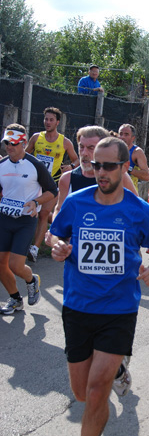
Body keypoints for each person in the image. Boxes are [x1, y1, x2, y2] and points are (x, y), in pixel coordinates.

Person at [47, 137, 149, 436]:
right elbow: (56, 234)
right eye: (95, 166)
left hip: (118, 310)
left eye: (108, 166)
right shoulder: (76, 202)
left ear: (124, 167)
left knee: (97, 392)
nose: (99, 172)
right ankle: (117, 371)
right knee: (82, 392)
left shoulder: (140, 210)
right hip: (78, 306)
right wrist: (56, 247)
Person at [0, 125, 58, 315]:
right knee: (0, 263)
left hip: (25, 221)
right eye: (7, 143)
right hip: (4, 219)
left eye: (14, 144)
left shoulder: (35, 165)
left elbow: (52, 191)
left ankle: (31, 280)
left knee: (15, 265)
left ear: (24, 143)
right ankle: (15, 299)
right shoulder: (2, 165)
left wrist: (35, 202)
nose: (10, 147)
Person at [25, 107, 79, 263]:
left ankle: (34, 249)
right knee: (30, 212)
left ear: (57, 122)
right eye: (45, 119)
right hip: (34, 183)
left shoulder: (64, 142)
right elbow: (26, 155)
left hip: (52, 184)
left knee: (43, 214)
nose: (47, 122)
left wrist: (71, 166)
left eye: (51, 120)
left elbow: (76, 159)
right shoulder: (36, 138)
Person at [53, 126, 138, 220]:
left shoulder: (119, 176)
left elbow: (137, 207)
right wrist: (54, 231)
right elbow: (59, 209)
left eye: (90, 148)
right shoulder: (67, 179)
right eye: (81, 147)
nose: (84, 153)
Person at [118, 123, 149, 190]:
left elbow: (147, 176)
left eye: (126, 134)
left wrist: (129, 169)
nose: (122, 137)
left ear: (133, 138)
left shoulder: (137, 152)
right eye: (120, 134)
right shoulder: (113, 149)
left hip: (130, 194)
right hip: (114, 193)